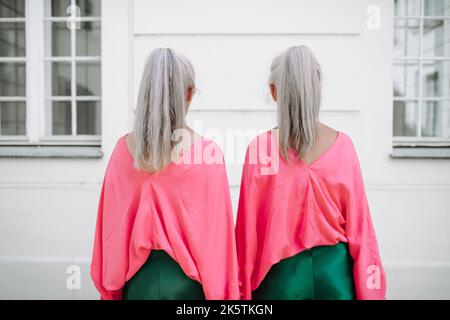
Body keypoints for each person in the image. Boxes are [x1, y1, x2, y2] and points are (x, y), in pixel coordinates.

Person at [236, 45, 386, 300]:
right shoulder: (344, 146)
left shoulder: (260, 149)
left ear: (274, 92)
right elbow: (362, 233)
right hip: (335, 280)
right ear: (317, 90)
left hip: (280, 284)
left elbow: (247, 237)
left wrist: (240, 296)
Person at [91, 48, 239, 300]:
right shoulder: (209, 155)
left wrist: (111, 291)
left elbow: (109, 233)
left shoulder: (121, 151)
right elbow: (217, 247)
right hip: (189, 291)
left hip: (137, 287)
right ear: (189, 94)